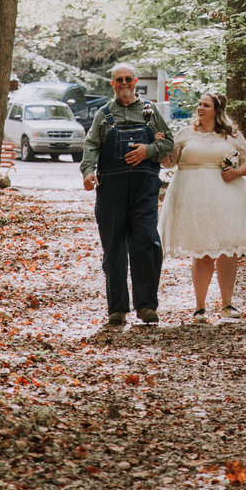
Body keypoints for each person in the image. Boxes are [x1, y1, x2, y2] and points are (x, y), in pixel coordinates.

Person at [81, 64, 174, 328]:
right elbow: (91, 145)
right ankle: (117, 309)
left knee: (147, 242)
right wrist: (88, 172)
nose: (124, 83)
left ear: (135, 82)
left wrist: (149, 149)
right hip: (111, 189)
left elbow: (169, 143)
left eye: (128, 79)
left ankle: (146, 306)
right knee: (114, 248)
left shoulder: (150, 111)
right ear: (112, 84)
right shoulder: (104, 114)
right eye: (119, 80)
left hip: (144, 188)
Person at [159, 91, 246, 322]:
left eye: (206, 105)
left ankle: (227, 304)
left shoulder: (231, 134)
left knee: (226, 250)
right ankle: (200, 307)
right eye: (200, 104)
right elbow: (169, 162)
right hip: (193, 201)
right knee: (201, 250)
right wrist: (159, 145)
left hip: (227, 200)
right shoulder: (186, 133)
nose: (201, 108)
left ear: (217, 110)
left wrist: (235, 172)